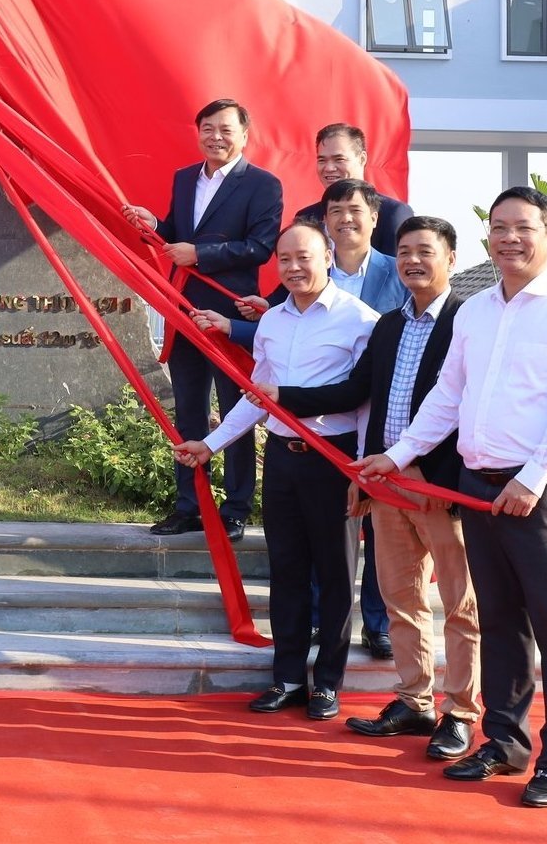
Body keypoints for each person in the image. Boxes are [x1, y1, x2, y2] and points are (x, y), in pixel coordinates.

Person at [354, 188, 547, 809]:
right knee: (498, 623)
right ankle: (504, 742)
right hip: (477, 488)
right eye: (499, 228)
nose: (509, 239)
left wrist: (532, 478)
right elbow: (446, 398)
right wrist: (399, 453)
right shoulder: (475, 313)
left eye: (524, 228)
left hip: (538, 494)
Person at [266, 215, 480, 762]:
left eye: (425, 251)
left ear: (451, 258)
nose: (412, 260)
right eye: (405, 250)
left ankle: (460, 712)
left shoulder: (469, 321)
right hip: (387, 481)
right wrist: (279, 397)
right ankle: (414, 700)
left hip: (443, 485)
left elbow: (471, 406)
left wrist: (448, 479)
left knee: (461, 605)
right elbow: (358, 393)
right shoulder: (387, 325)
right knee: (400, 596)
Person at [173, 222, 377, 720]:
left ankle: (327, 683)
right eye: (284, 259)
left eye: (303, 257)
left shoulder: (361, 320)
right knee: (285, 571)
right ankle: (286, 677)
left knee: (334, 576)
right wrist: (210, 445)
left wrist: (363, 471)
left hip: (335, 459)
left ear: (328, 256)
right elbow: (258, 398)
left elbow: (367, 403)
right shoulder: (273, 322)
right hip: (284, 461)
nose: (293, 268)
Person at [121, 98, 283, 542]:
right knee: (188, 413)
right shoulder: (184, 178)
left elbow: (262, 246)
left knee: (235, 412)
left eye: (226, 129)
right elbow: (178, 235)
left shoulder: (263, 185)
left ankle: (235, 509)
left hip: (230, 314)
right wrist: (155, 223)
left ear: (245, 134)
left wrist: (202, 255)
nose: (216, 137)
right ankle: (190, 505)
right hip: (184, 309)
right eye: (208, 128)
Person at [291, 123, 414, 254]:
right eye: (322, 160)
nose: (329, 168)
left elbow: (398, 270)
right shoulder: (307, 217)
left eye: (339, 159)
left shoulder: (393, 213)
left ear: (362, 159)